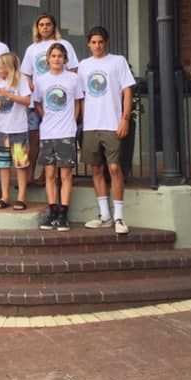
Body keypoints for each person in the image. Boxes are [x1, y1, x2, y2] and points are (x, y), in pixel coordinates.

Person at [78, 26, 136, 235]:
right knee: (96, 169)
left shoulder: (118, 61)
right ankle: (105, 216)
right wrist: (83, 121)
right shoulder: (84, 66)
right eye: (93, 42)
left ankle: (119, 216)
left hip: (112, 123)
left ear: (106, 42)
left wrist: (125, 119)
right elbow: (81, 95)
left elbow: (127, 90)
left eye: (100, 42)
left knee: (114, 168)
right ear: (88, 44)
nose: (97, 46)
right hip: (91, 126)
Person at [21, 14, 80, 184]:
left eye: (48, 24)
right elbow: (27, 74)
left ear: (54, 26)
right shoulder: (32, 49)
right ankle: (30, 174)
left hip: (60, 104)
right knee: (33, 140)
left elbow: (74, 70)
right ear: (37, 28)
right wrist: (34, 89)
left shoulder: (64, 45)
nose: (45, 27)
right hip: (37, 102)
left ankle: (48, 175)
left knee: (55, 139)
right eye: (41, 24)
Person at [32, 43, 83, 232]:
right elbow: (37, 102)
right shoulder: (41, 80)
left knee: (65, 174)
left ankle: (63, 214)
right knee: (50, 175)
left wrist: (73, 120)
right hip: (48, 133)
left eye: (60, 56)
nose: (56, 59)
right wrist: (44, 116)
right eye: (53, 56)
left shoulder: (73, 78)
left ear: (65, 59)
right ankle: (52, 211)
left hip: (66, 133)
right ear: (48, 59)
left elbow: (78, 102)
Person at [0, 52, 31, 210]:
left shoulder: (21, 79)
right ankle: (5, 196)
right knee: (3, 164)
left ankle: (21, 197)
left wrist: (7, 94)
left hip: (18, 128)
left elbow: (27, 100)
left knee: (20, 164)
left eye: (2, 66)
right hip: (2, 129)